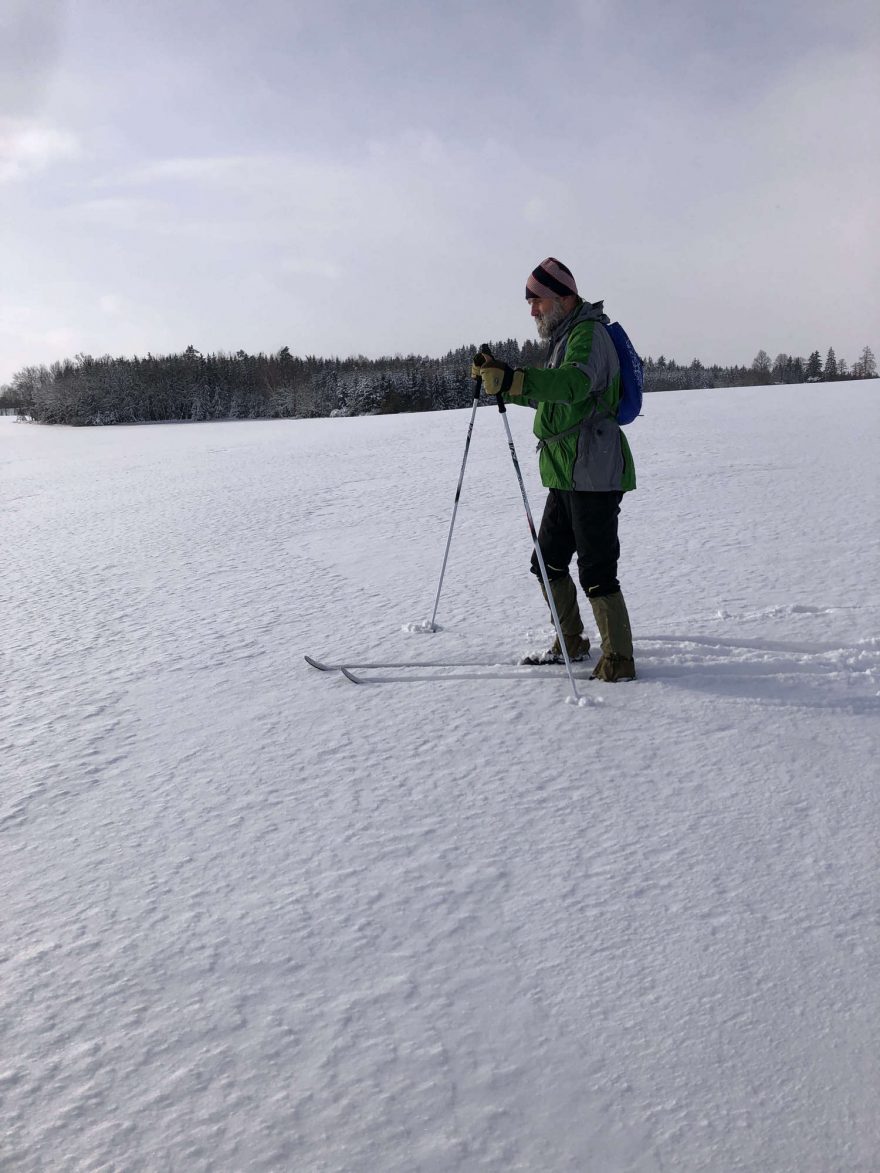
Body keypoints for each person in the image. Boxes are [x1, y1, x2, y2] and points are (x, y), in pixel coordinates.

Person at [470, 257, 637, 681]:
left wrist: (516, 380)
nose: (532, 311)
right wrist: (504, 379)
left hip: (594, 472)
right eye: (529, 303)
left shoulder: (588, 335)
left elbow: (572, 385)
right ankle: (571, 642)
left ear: (564, 297)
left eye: (538, 302)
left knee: (597, 571)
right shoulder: (566, 337)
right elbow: (553, 397)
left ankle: (619, 661)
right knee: (547, 562)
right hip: (565, 472)